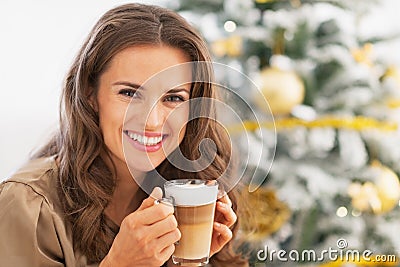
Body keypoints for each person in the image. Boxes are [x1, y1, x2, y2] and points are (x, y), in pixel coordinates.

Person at [0, 3, 248, 267]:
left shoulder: (193, 195)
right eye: (129, 93)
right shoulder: (27, 206)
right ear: (90, 95)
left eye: (173, 98)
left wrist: (187, 262)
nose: (152, 122)